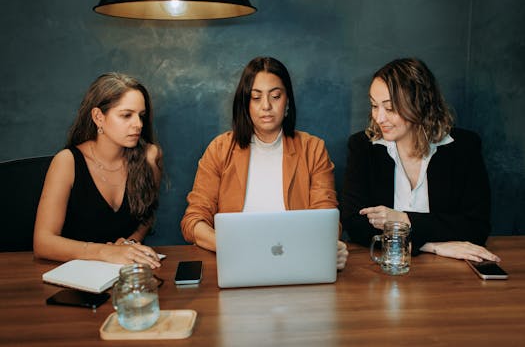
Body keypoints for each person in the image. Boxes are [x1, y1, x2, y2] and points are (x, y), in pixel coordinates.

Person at [181, 56, 348, 269]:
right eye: (256, 97)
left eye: (275, 96)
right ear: (245, 103)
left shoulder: (312, 149)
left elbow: (327, 220)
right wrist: (232, 246)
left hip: (297, 263)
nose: (266, 106)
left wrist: (328, 246)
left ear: (287, 100)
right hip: (236, 263)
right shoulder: (220, 149)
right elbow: (193, 221)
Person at [341, 58, 500, 262]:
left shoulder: (463, 147)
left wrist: (402, 219)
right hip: (388, 267)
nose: (379, 118)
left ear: (420, 104)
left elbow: (475, 226)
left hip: (449, 276)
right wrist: (430, 245)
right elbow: (355, 224)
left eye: (390, 109)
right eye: (374, 105)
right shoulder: (363, 147)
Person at [33, 72, 163, 268]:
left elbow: (146, 216)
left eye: (141, 116)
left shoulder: (149, 156)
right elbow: (43, 243)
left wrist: (132, 242)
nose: (138, 124)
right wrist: (105, 252)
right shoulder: (67, 162)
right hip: (74, 275)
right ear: (98, 117)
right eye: (126, 115)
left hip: (127, 273)